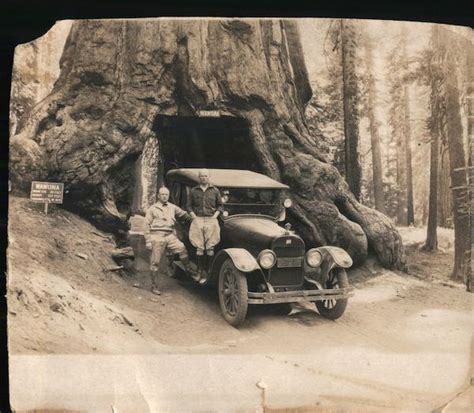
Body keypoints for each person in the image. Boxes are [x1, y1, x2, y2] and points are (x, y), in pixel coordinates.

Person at [144, 186, 194, 295]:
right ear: (158, 196)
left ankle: (188, 269)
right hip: (156, 236)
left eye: (166, 194)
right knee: (155, 262)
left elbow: (185, 215)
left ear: (168, 195)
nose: (165, 196)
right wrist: (148, 240)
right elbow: (146, 225)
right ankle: (154, 286)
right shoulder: (152, 209)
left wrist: (196, 219)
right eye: (162, 194)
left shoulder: (173, 207)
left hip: (170, 235)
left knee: (182, 249)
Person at [187, 169, 223, 282]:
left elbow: (220, 206)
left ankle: (208, 272)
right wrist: (194, 217)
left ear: (209, 177)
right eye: (202, 176)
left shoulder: (215, 190)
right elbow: (188, 206)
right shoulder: (194, 190)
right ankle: (199, 271)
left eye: (206, 176)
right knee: (199, 248)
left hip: (211, 219)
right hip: (198, 219)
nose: (204, 178)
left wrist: (214, 217)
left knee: (210, 248)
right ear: (199, 177)